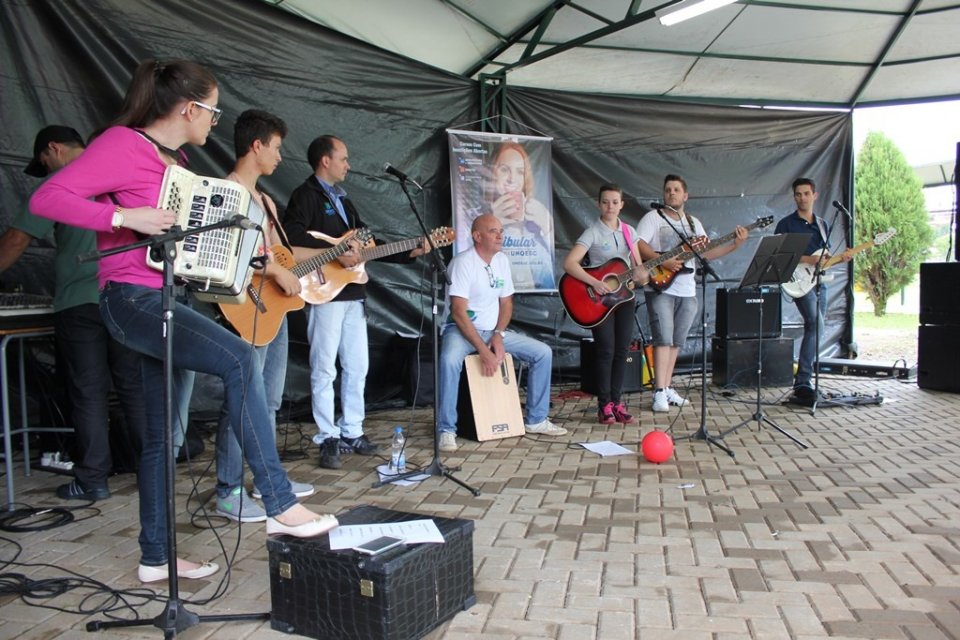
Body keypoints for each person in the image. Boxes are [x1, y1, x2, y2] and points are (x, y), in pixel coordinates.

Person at [29, 58, 337, 584]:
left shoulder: (176, 160)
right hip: (131, 299)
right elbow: (47, 196)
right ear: (190, 107)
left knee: (156, 438)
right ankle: (280, 502)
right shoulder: (121, 144)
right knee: (240, 359)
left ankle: (156, 558)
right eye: (213, 112)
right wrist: (123, 218)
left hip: (166, 295)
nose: (214, 123)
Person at [0, 125, 148, 502]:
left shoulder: (62, 181)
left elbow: (17, 240)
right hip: (126, 296)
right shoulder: (124, 174)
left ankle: (93, 479)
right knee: (133, 386)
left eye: (45, 161)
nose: (47, 167)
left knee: (88, 392)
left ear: (53, 149)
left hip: (79, 302)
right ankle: (152, 469)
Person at [283, 135, 428, 470]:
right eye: (344, 158)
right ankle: (326, 435)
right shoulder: (305, 196)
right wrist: (335, 255)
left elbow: (368, 245)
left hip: (353, 295)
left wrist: (412, 249)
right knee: (323, 366)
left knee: (357, 366)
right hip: (325, 292)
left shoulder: (345, 203)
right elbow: (290, 243)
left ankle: (352, 429)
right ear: (325, 161)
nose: (349, 165)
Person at [212, 109, 315, 523]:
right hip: (245, 306)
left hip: (273, 308)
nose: (279, 157)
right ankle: (228, 488)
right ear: (256, 146)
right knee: (242, 397)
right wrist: (274, 270)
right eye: (275, 148)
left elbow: (283, 254)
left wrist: (332, 256)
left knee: (267, 401)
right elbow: (230, 250)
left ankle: (265, 480)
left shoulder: (267, 201)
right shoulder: (226, 191)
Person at [437, 213, 567, 452]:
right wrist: (483, 350)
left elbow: (507, 303)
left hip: (492, 331)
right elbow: (458, 312)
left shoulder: (502, 261)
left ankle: (536, 420)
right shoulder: (463, 263)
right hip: (461, 330)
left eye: (501, 231)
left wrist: (498, 335)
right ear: (477, 236)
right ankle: (446, 429)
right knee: (448, 360)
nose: (500, 235)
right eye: (493, 231)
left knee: (543, 353)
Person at [635, 174, 749, 412]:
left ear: (685, 195)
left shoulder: (693, 223)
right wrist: (662, 262)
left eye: (676, 189)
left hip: (687, 288)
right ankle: (658, 392)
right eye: (668, 190)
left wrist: (734, 245)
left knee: (676, 341)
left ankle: (666, 387)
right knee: (662, 338)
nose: (671, 193)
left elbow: (704, 255)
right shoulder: (653, 217)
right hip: (660, 286)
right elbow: (637, 244)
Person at [563, 183, 649, 424]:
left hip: (623, 298)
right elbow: (570, 263)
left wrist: (643, 276)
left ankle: (617, 402)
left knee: (622, 351)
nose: (610, 206)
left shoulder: (630, 233)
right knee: (606, 351)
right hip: (599, 300)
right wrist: (594, 282)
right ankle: (604, 406)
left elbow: (638, 269)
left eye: (615, 202)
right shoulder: (592, 232)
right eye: (605, 202)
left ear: (622, 204)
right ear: (599, 204)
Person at [774, 177, 851, 404]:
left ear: (815, 195)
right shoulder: (786, 224)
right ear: (794, 196)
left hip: (820, 281)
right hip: (799, 281)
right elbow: (779, 256)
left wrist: (841, 259)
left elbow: (823, 261)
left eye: (806, 193)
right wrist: (807, 259)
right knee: (816, 324)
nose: (802, 198)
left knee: (815, 328)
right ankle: (803, 381)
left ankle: (805, 381)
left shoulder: (823, 224)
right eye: (798, 194)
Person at [458, 142, 555, 291]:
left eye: (520, 172)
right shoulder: (471, 217)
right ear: (491, 174)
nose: (512, 179)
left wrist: (547, 229)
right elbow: (464, 264)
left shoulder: (536, 220)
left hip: (531, 301)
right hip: (491, 299)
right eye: (504, 170)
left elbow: (549, 280)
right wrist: (492, 222)